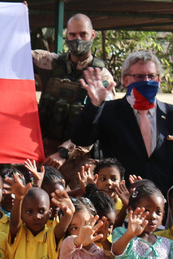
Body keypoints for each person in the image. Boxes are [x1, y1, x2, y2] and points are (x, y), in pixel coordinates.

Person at [72, 51, 173, 194]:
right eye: (140, 76)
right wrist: (95, 104)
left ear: (159, 79)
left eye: (151, 76)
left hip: (162, 203)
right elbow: (81, 139)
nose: (147, 81)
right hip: (120, 201)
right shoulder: (108, 112)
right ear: (126, 80)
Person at [34, 13, 115, 177]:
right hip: (42, 149)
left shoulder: (102, 77)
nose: (78, 39)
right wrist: (19, 15)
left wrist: (64, 152)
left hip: (78, 158)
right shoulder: (50, 63)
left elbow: (98, 125)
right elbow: (16, 55)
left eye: (83, 34)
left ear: (92, 35)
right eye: (72, 35)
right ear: (66, 35)